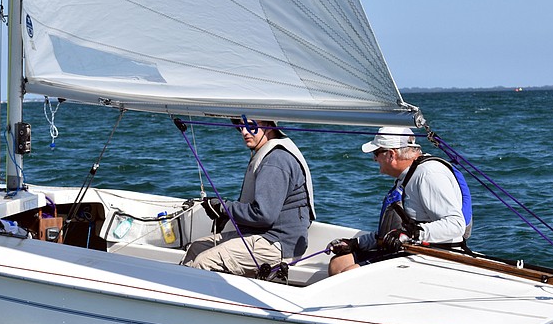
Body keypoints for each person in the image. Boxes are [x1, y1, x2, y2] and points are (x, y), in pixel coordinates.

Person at [181, 118, 315, 277]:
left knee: (204, 261)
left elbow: (263, 215)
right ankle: (175, 293)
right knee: (196, 248)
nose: (244, 132)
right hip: (263, 236)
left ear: (269, 126)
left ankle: (191, 299)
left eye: (251, 126)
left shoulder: (276, 160)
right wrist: (226, 213)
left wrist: (224, 208)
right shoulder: (270, 153)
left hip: (278, 245)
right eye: (240, 126)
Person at [328, 127, 469, 275]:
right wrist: (355, 243)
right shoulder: (408, 175)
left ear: (391, 154)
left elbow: (456, 224)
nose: (374, 159)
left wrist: (412, 234)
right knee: (339, 263)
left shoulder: (429, 174)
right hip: (411, 250)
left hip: (435, 256)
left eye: (376, 153)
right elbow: (396, 231)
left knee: (350, 274)